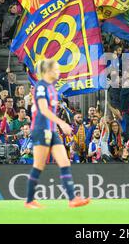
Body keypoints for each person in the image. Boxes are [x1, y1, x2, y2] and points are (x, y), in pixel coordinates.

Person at [24, 59, 90, 209]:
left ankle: (73, 199)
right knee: (38, 166)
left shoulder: (52, 88)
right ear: (48, 71)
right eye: (56, 68)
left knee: (65, 162)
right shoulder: (40, 86)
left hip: (51, 131)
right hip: (40, 130)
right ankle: (29, 200)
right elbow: (43, 109)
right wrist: (62, 123)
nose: (59, 71)